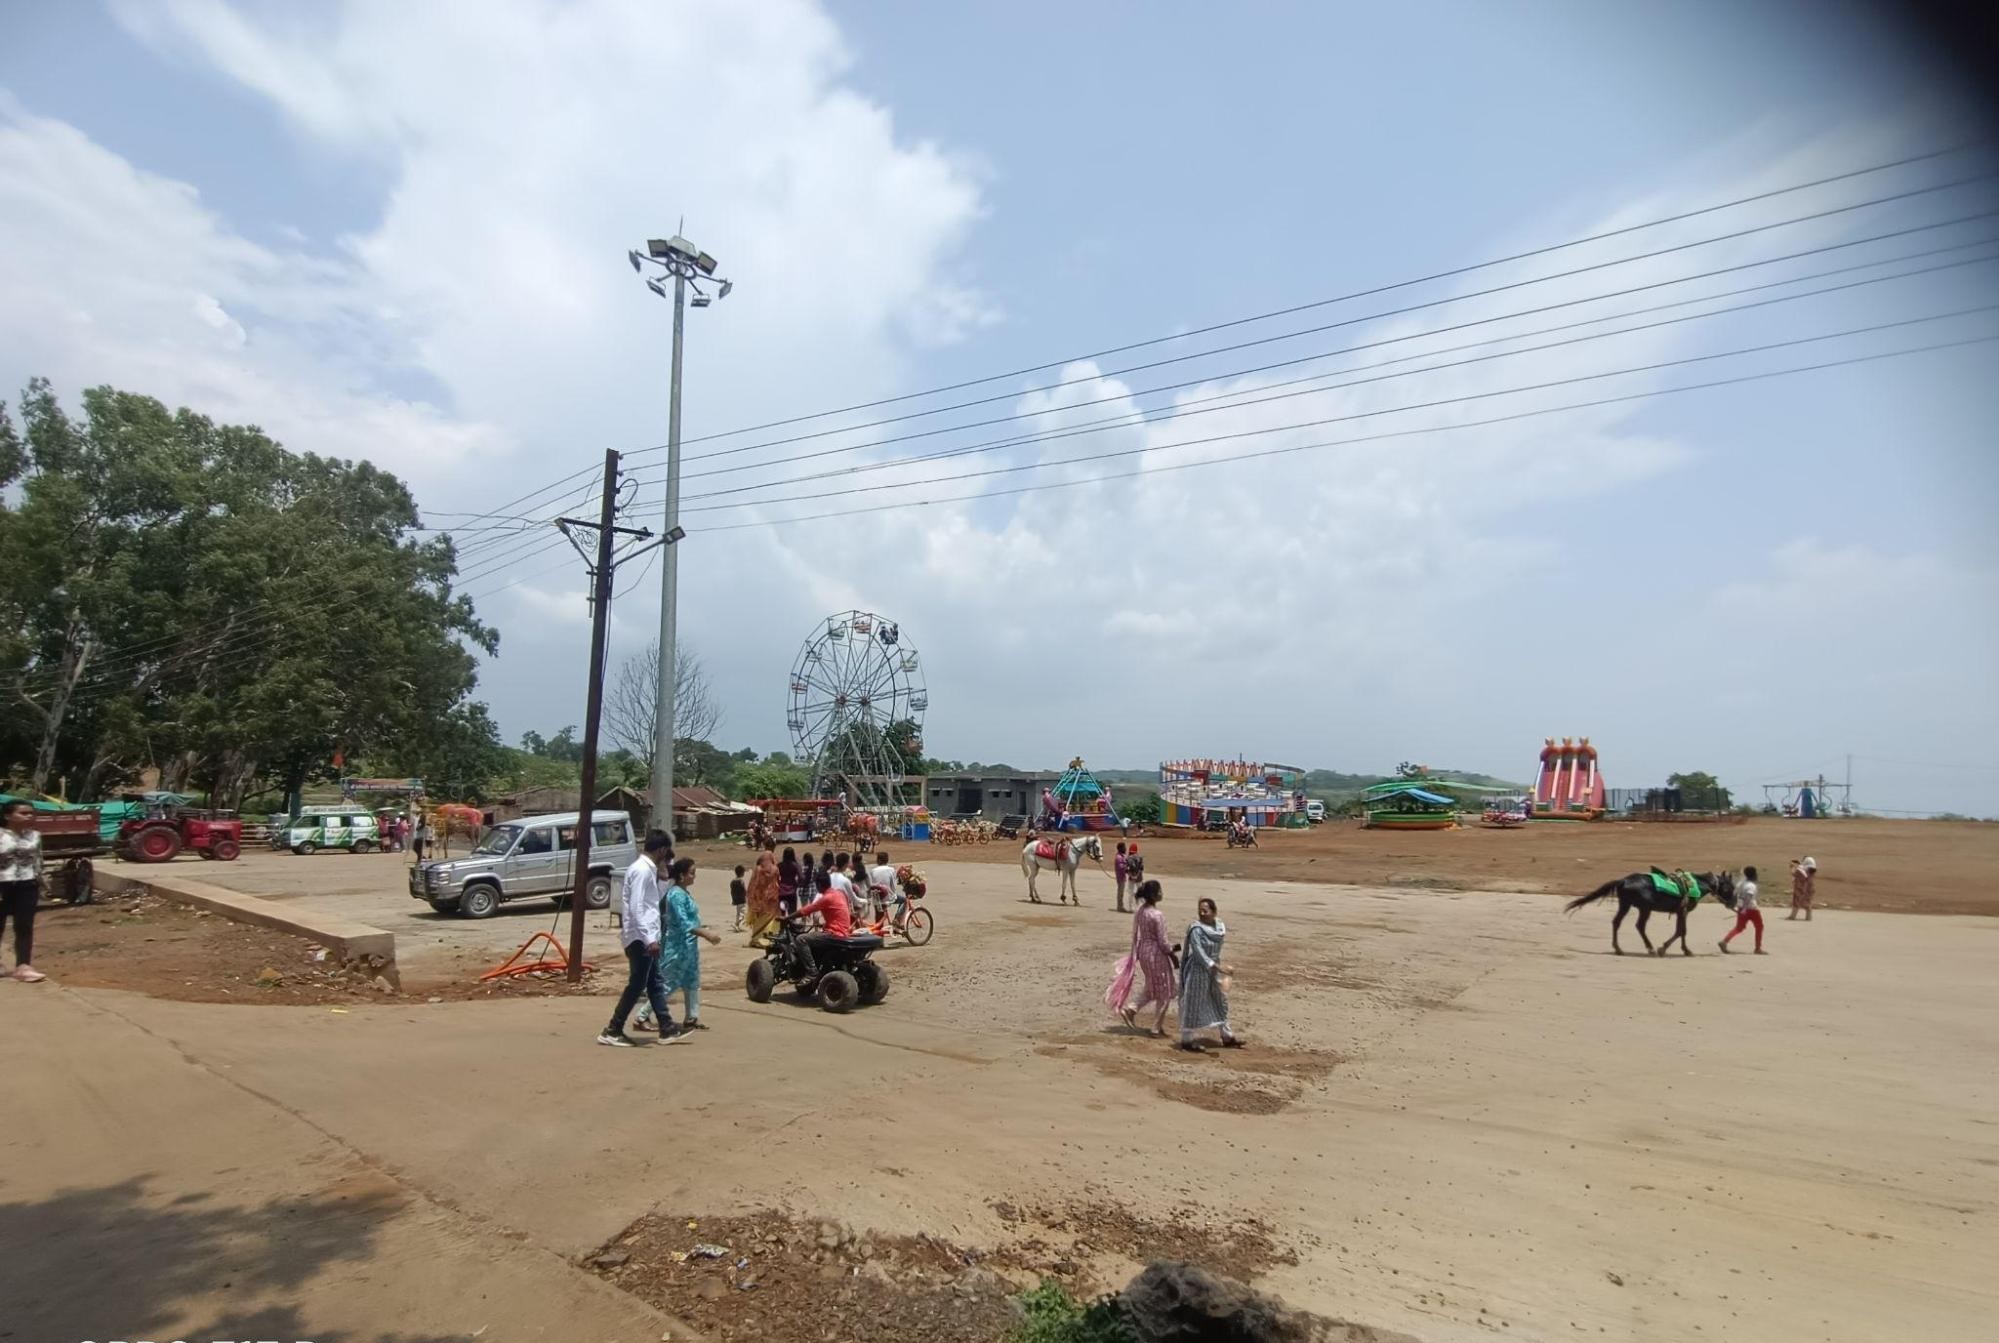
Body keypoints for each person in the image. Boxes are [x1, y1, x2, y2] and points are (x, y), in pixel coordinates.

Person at [597, 830, 678, 1046]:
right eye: (666, 853)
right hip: (640, 938)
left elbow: (652, 901)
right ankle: (613, 1029)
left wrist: (663, 879)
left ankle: (667, 1027)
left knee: (654, 982)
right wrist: (649, 939)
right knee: (637, 985)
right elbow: (637, 907)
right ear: (662, 850)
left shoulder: (647, 870)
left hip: (644, 936)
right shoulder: (642, 870)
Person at [652, 857, 722, 1031]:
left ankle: (692, 1017)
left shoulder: (684, 893)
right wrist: (706, 933)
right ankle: (643, 1016)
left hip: (689, 947)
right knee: (669, 982)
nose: (694, 877)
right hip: (677, 947)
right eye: (692, 873)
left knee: (691, 981)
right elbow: (685, 923)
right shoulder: (675, 895)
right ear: (682, 876)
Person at [1106, 879, 1176, 1036]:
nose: (1162, 893)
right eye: (1160, 891)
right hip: (1156, 955)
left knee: (1151, 987)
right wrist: (1172, 951)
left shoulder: (1141, 911)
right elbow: (1163, 942)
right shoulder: (1157, 915)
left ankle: (1132, 1009)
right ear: (1154, 895)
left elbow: (1137, 934)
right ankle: (1155, 1027)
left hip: (1143, 952)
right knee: (1165, 991)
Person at [1178, 896, 1243, 1051]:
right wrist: (1216, 967)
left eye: (1205, 911)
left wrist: (1217, 967)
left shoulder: (1219, 927)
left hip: (1213, 970)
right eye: (1200, 910)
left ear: (1214, 912)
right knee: (1193, 1003)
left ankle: (1227, 1036)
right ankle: (1187, 1040)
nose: (1201, 913)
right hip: (1198, 971)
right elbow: (1198, 952)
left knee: (1219, 1000)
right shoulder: (1196, 930)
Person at [1, 800, 48, 983]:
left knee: (24, 926)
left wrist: (41, 881)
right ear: (8, 816)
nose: (29, 816)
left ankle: (23, 966)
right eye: (23, 813)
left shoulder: (35, 835)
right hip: (2, 883)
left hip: (27, 884)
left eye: (31, 813)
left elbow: (38, 859)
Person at [790, 867, 855, 981]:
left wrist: (787, 917)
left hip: (834, 934)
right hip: (844, 931)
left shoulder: (826, 898)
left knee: (801, 939)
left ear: (819, 885)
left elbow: (806, 910)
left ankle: (812, 971)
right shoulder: (840, 894)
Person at [1721, 864, 1767, 954]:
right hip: (1752, 909)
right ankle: (1758, 948)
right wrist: (1745, 908)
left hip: (1741, 907)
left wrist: (1739, 907)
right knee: (1759, 927)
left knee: (1739, 928)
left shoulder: (1741, 883)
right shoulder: (1751, 886)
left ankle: (1724, 941)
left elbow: (1734, 894)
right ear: (1754, 875)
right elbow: (1749, 897)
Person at [746, 850, 782, 944]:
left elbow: (753, 884)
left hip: (759, 898)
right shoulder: (775, 869)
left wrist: (752, 896)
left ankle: (756, 939)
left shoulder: (758, 869)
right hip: (772, 898)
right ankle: (767, 939)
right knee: (769, 919)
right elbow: (778, 881)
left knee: (759, 918)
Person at [867, 849, 899, 922]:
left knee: (878, 917)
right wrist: (893, 894)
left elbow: (870, 885)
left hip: (876, 897)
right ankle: (898, 920)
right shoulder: (891, 870)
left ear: (878, 860)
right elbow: (893, 886)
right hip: (887, 897)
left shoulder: (873, 871)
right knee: (904, 901)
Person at [1789, 856, 1817, 921]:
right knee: (1808, 903)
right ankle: (1808, 917)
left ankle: (1793, 916)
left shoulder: (1801, 871)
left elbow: (1794, 874)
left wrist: (1792, 867)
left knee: (1796, 902)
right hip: (1809, 890)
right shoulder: (1812, 872)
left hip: (1800, 889)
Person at [777, 846, 801, 916]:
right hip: (791, 893)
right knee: (792, 915)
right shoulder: (796, 865)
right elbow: (801, 877)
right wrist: (797, 885)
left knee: (782, 915)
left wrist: (778, 884)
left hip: (781, 893)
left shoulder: (779, 865)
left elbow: (774, 877)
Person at [729, 863, 748, 931]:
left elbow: (732, 891)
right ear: (742, 873)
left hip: (736, 900)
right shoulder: (741, 881)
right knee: (743, 914)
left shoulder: (733, 881)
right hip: (742, 900)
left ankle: (737, 925)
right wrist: (747, 895)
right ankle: (737, 924)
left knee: (738, 913)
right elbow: (744, 890)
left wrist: (733, 899)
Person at [1113, 842, 1130, 913]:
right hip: (1120, 877)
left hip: (1122, 877)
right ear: (1120, 848)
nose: (1125, 849)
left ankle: (1120, 906)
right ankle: (1120, 906)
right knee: (1120, 892)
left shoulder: (1122, 856)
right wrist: (1128, 867)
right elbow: (1121, 867)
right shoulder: (1119, 857)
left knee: (1121, 892)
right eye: (1124, 847)